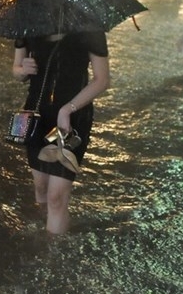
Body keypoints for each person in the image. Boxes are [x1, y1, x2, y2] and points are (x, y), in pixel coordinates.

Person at [11, 31, 110, 234]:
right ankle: (44, 233)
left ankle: (52, 257)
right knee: (40, 188)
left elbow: (102, 80)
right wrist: (22, 70)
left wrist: (68, 109)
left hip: (70, 119)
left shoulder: (88, 27)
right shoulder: (29, 25)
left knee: (56, 198)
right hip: (36, 115)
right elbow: (16, 69)